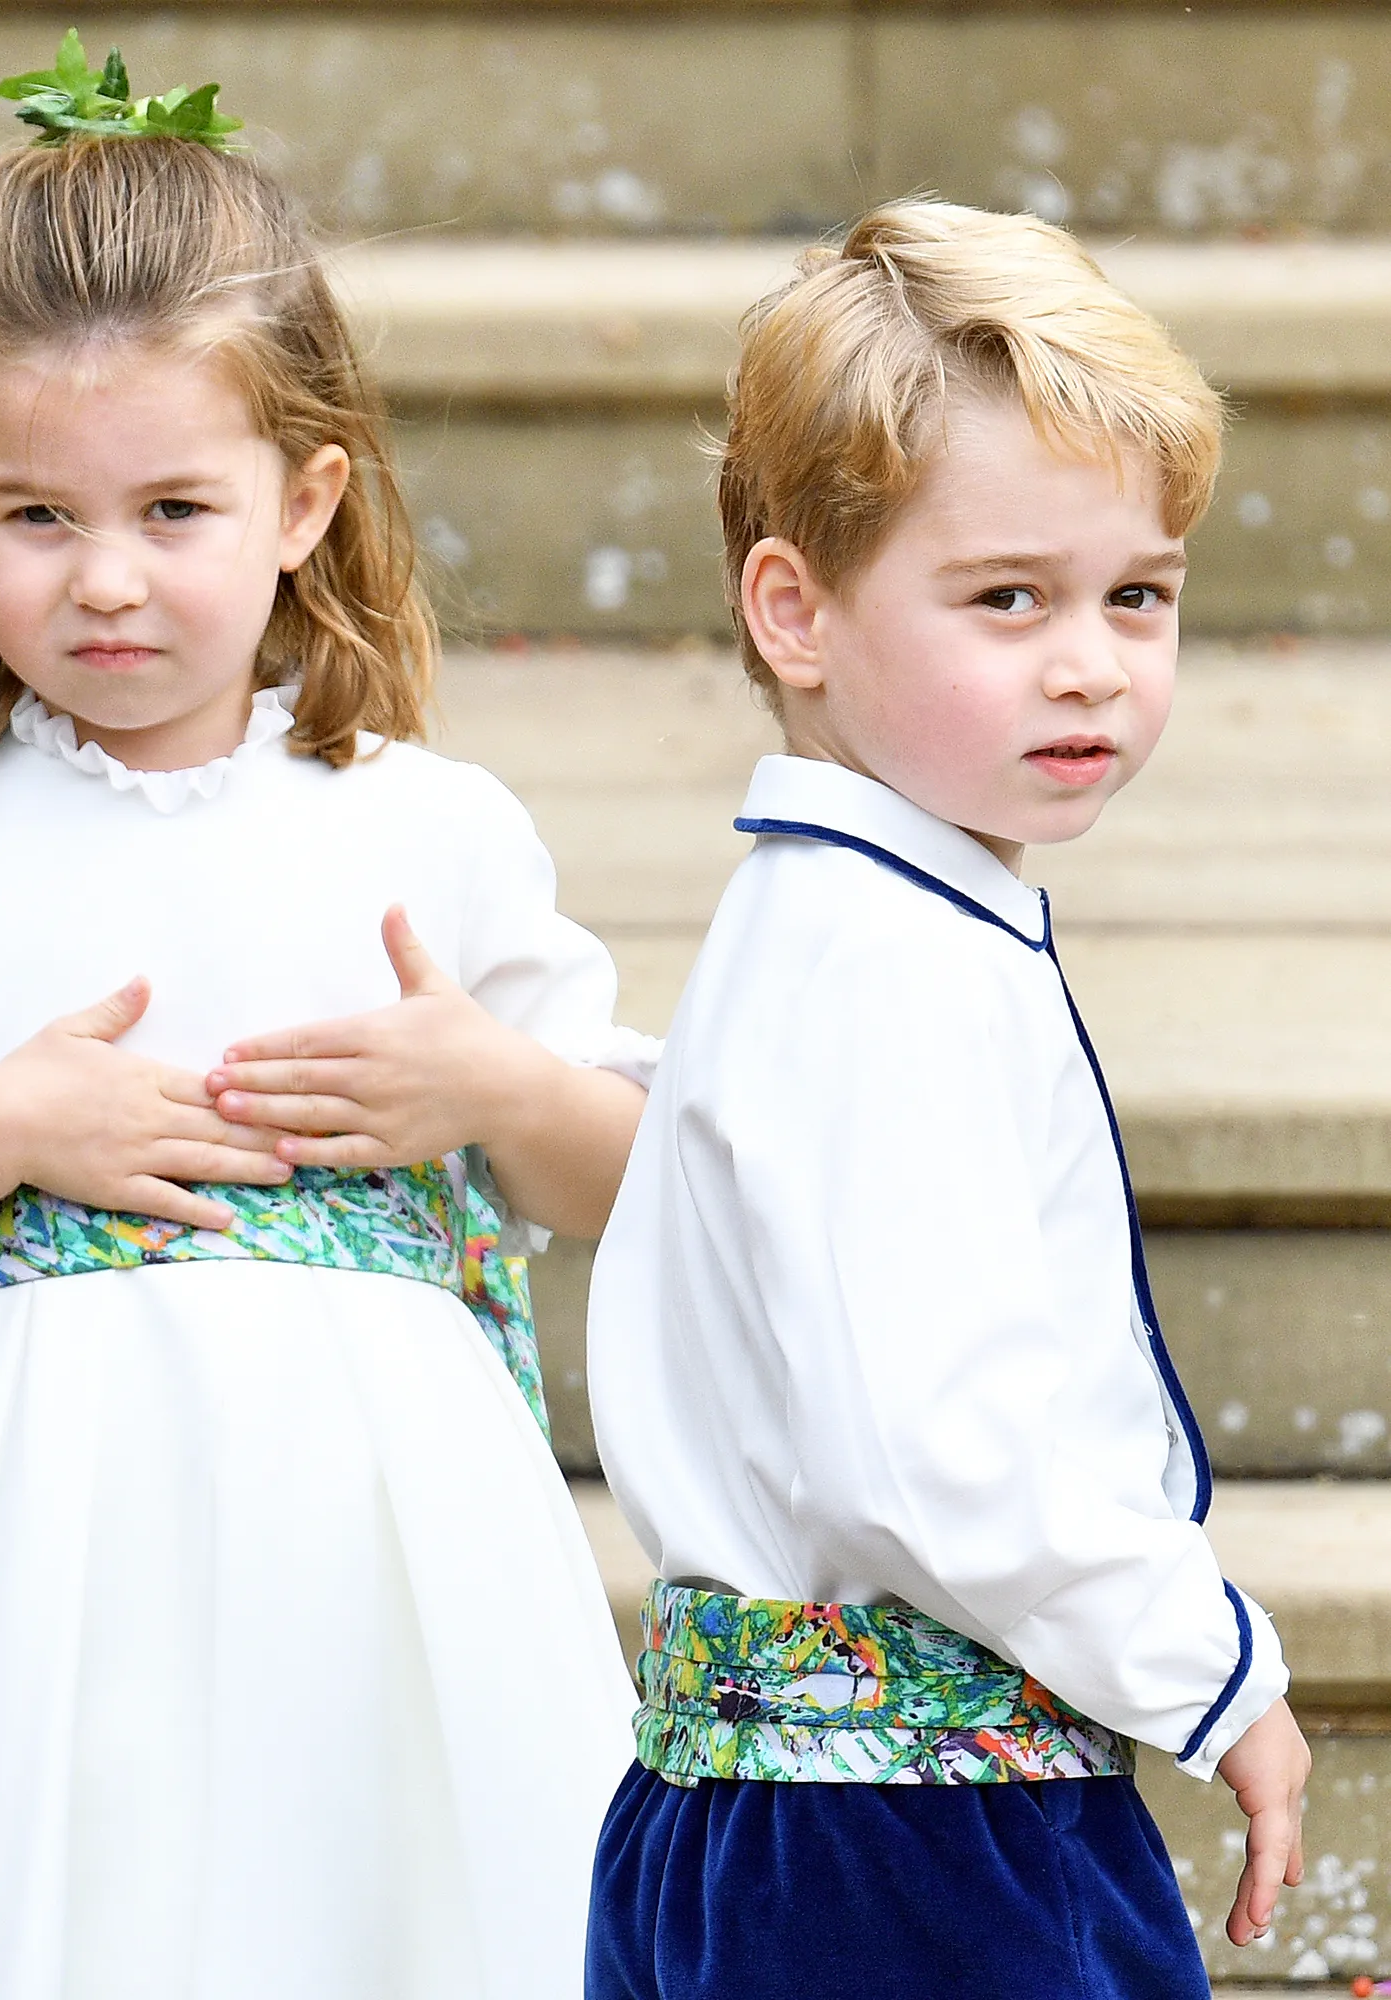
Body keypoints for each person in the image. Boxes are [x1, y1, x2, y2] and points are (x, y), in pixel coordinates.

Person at [0, 39, 648, 2000]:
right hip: (12, 1593)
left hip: (374, 1585)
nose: (106, 581)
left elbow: (639, 1188)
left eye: (174, 507)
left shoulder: (425, 827)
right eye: (35, 517)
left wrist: (489, 1084)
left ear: (306, 498)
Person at [583, 200, 1310, 2000]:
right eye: (1009, 599)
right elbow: (941, 1443)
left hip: (782, 1822)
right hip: (913, 1853)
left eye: (1136, 595)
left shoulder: (840, 922)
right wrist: (1205, 1666)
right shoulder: (886, 965)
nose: (1090, 662)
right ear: (795, 610)